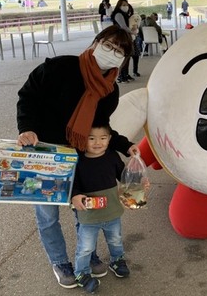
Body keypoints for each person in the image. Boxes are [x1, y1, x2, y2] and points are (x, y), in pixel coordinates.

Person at [16, 25, 139, 289]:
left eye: (120, 51)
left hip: (80, 156)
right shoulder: (58, 68)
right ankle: (59, 260)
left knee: (83, 207)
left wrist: (125, 145)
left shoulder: (110, 90)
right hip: (46, 154)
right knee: (48, 215)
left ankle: (87, 251)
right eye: (108, 45)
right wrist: (26, 127)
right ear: (95, 43)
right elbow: (28, 96)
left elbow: (101, 128)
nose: (112, 53)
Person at [71, 123, 130, 293]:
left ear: (109, 139)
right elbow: (73, 185)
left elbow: (125, 177)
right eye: (91, 138)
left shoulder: (112, 157)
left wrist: (137, 182)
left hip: (112, 212)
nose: (98, 142)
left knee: (116, 240)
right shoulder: (79, 161)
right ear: (83, 140)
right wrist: (75, 195)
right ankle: (81, 273)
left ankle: (117, 261)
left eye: (103, 138)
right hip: (89, 217)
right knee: (86, 247)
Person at [111, 0, 135, 83]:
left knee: (127, 56)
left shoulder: (125, 14)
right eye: (124, 5)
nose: (126, 6)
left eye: (126, 5)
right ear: (119, 5)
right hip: (120, 38)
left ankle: (126, 74)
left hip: (125, 37)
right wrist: (132, 32)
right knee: (122, 57)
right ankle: (120, 76)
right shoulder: (118, 14)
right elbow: (123, 26)